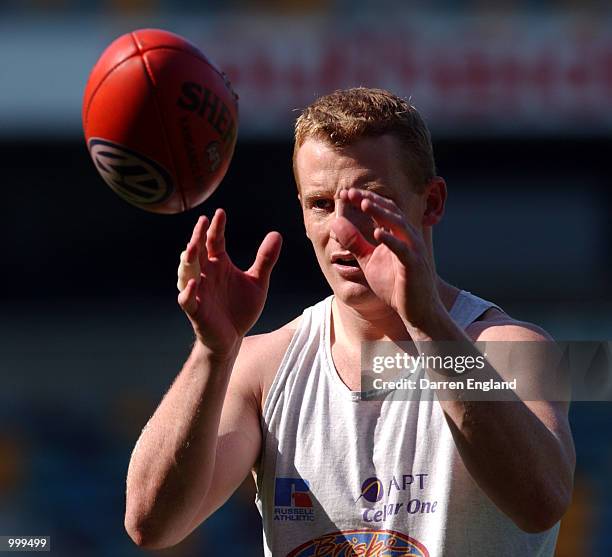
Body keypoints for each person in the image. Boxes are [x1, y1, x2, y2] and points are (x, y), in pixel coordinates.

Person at [124, 87, 575, 556]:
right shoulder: (263, 367)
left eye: (370, 201)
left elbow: (540, 503)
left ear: (432, 202)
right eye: (320, 204)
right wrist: (212, 351)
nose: (341, 229)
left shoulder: (510, 347)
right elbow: (151, 525)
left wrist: (426, 323)